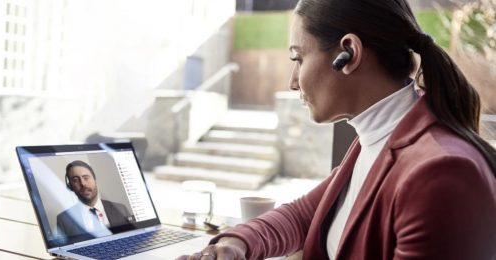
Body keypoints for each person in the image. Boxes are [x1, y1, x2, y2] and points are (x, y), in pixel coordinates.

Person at [178, 0, 496, 259]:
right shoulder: (377, 140)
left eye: (298, 58)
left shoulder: (440, 172)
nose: (292, 81)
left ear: (349, 53)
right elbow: (303, 215)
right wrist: (236, 244)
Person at [56, 160, 132, 239]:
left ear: (95, 180)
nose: (83, 183)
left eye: (86, 178)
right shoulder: (63, 219)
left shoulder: (121, 209)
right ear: (70, 186)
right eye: (75, 180)